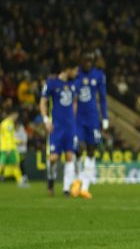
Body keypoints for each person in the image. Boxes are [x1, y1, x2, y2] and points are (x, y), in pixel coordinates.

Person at [73, 52, 109, 199]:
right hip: (78, 119)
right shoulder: (76, 75)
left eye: (90, 61)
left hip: (93, 119)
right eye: (86, 61)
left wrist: (105, 117)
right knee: (78, 149)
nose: (88, 63)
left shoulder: (99, 75)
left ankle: (84, 187)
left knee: (91, 151)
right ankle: (76, 180)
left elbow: (103, 98)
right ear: (81, 61)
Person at [40, 67, 79, 196]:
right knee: (53, 158)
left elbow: (74, 102)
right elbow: (43, 102)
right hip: (56, 127)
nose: (76, 72)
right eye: (74, 69)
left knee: (69, 156)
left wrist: (73, 119)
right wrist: (46, 120)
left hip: (70, 127)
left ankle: (66, 189)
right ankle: (51, 180)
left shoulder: (73, 84)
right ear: (67, 69)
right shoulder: (51, 83)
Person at [0, 110, 27, 187]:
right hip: (8, 149)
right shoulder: (7, 124)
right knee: (9, 165)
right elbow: (7, 137)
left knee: (12, 165)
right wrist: (9, 148)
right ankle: (20, 182)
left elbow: (10, 137)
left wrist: (19, 141)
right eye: (16, 115)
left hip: (7, 148)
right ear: (12, 114)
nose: (16, 117)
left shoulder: (7, 123)